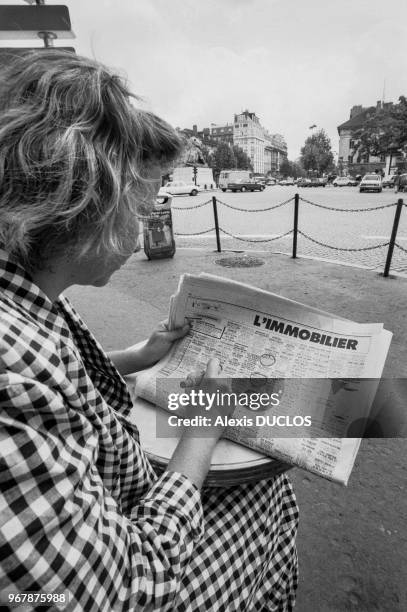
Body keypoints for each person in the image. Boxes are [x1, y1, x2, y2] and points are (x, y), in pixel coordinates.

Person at [0, 51, 298, 611]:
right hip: (131, 562)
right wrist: (204, 430)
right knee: (271, 498)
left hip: (101, 510)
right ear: (92, 199)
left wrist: (138, 354)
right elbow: (124, 593)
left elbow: (56, 381)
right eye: (145, 200)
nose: (146, 220)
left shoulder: (24, 298)